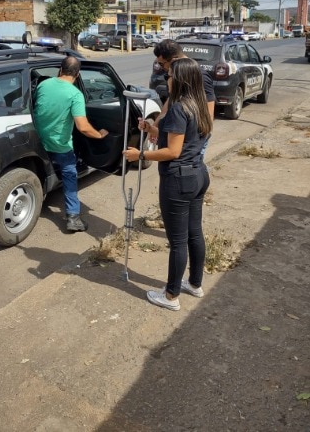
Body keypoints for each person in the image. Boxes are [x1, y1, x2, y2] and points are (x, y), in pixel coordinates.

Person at [123, 58, 213, 311]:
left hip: (179, 179)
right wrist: (152, 128)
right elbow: (183, 140)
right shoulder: (199, 105)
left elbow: (172, 151)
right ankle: (194, 284)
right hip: (198, 174)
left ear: (181, 80)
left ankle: (171, 295)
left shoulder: (177, 108)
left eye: (169, 76)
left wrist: (139, 155)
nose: (167, 80)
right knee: (194, 233)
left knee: (178, 242)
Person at [33, 56, 108, 233]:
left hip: (37, 141)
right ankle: (73, 217)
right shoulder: (75, 94)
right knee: (69, 175)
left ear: (60, 69)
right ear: (78, 73)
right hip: (60, 146)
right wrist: (98, 135)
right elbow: (82, 127)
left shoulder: (44, 85)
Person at [148, 39, 215, 141]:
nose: (161, 68)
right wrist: (156, 126)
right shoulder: (174, 73)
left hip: (192, 139)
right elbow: (170, 100)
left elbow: (208, 113)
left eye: (162, 64)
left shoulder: (200, 76)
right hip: (177, 131)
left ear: (174, 59)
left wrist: (199, 140)